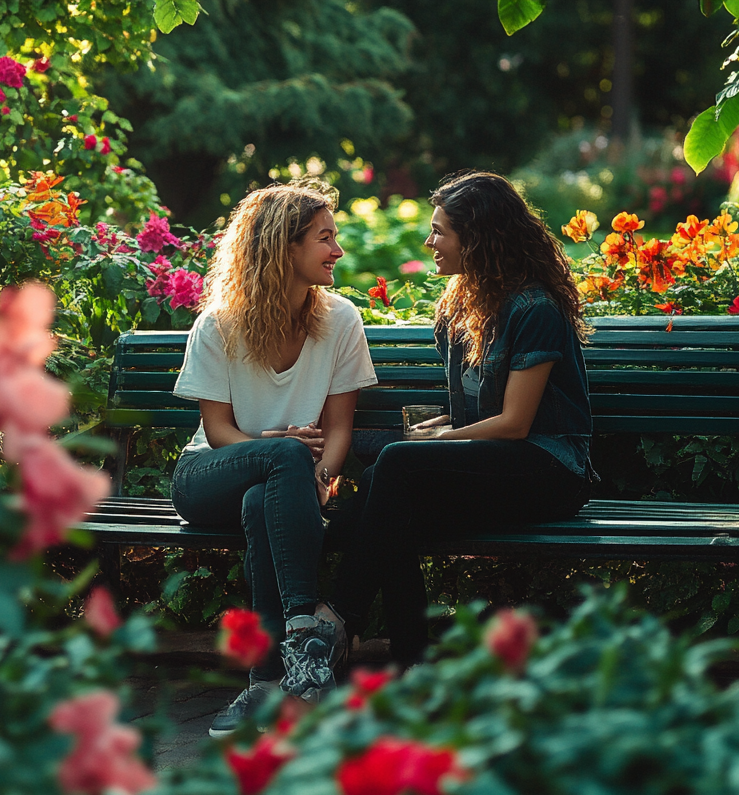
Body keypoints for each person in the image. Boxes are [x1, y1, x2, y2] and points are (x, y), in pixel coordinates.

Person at [330, 171, 596, 665]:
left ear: (477, 240)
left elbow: (516, 423)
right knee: (388, 503)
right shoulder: (459, 305)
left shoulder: (535, 308)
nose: (429, 241)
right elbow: (478, 410)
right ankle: (409, 660)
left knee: (389, 476)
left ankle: (338, 618)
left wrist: (446, 439)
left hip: (549, 469)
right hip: (491, 462)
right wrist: (443, 431)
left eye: (440, 231)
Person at [170, 181, 376, 736]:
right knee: (278, 463)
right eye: (324, 239)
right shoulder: (219, 324)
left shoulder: (341, 321)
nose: (337, 251)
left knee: (268, 499)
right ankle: (307, 643)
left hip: (290, 487)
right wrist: (281, 452)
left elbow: (339, 429)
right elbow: (216, 432)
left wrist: (320, 477)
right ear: (282, 246)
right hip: (206, 477)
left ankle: (267, 678)